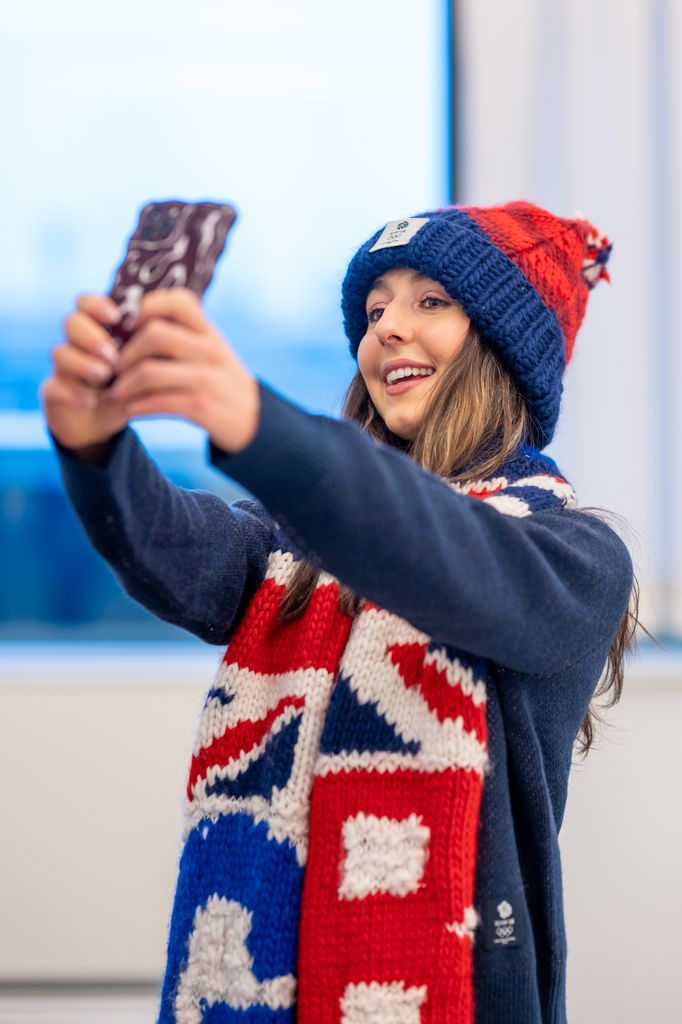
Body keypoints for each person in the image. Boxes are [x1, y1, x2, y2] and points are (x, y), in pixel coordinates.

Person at [41, 200, 636, 1024]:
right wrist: (94, 446)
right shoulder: (299, 548)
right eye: (375, 309)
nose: (388, 327)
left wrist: (257, 424)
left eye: (431, 301)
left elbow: (438, 553)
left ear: (504, 348)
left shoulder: (572, 557)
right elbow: (178, 543)